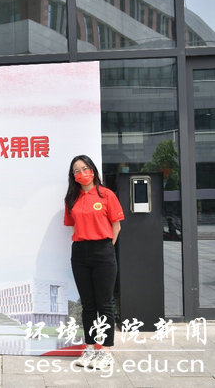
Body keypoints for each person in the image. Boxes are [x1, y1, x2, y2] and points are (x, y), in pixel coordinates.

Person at [64, 155, 124, 371]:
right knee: (88, 304)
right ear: (73, 176)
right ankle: (90, 347)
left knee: (104, 304)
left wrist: (106, 248)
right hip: (80, 253)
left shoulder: (106, 195)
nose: (81, 173)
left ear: (92, 170)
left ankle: (106, 350)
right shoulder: (72, 199)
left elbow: (116, 226)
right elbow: (74, 226)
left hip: (103, 251)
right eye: (76, 171)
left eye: (85, 168)